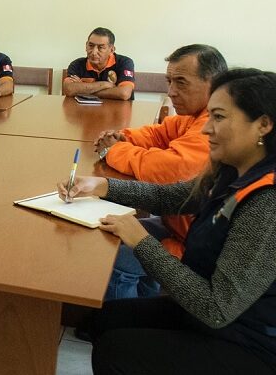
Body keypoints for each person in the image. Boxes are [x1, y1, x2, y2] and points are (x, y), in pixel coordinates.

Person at [59, 68, 276, 374]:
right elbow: (172, 196)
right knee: (104, 319)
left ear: (263, 125)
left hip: (247, 340)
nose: (206, 129)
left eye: (218, 117)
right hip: (211, 317)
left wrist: (141, 241)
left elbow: (216, 308)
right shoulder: (232, 170)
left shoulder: (266, 202)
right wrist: (103, 186)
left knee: (117, 351)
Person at [93, 44, 228, 299]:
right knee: (109, 232)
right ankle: (146, 298)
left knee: (114, 256)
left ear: (214, 83)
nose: (171, 91)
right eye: (169, 81)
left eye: (181, 82)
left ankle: (120, 316)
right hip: (178, 225)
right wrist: (124, 136)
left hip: (194, 246)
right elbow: (159, 133)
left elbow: (169, 169)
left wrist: (114, 150)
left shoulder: (212, 125)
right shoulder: (195, 114)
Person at [63, 27, 135, 101]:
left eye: (100, 47)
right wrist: (105, 84)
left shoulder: (124, 62)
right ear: (86, 45)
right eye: (91, 46)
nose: (94, 52)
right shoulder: (77, 64)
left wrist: (82, 90)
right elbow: (69, 89)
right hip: (85, 108)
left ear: (111, 50)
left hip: (117, 108)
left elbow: (124, 93)